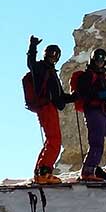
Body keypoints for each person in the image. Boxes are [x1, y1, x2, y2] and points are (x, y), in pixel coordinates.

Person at [27, 35, 75, 185]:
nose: (53, 57)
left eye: (55, 55)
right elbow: (31, 64)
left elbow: (59, 96)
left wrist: (75, 97)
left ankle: (40, 171)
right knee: (55, 139)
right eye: (51, 54)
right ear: (46, 55)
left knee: (51, 139)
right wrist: (32, 47)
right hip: (46, 107)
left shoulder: (51, 72)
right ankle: (44, 172)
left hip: (50, 107)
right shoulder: (41, 69)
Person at [72, 47, 106, 181]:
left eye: (102, 59)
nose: (100, 62)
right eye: (98, 59)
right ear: (93, 60)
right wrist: (102, 96)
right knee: (97, 142)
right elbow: (84, 93)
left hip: (103, 111)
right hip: (93, 111)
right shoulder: (87, 76)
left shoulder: (104, 77)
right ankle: (88, 171)